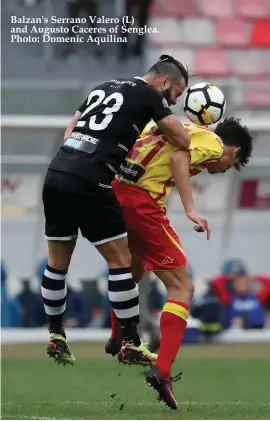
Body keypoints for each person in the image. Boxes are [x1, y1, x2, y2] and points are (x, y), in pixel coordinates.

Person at [41, 54, 191, 366]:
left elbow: (70, 131)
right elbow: (181, 138)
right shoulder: (149, 94)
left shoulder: (104, 86)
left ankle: (56, 336)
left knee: (56, 263)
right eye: (175, 94)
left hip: (57, 174)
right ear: (163, 81)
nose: (174, 102)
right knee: (122, 261)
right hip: (92, 181)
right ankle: (132, 342)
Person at [105, 117, 253, 409]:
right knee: (182, 287)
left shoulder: (173, 125)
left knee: (131, 269)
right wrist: (191, 209)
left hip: (116, 192)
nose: (223, 170)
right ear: (233, 151)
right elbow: (178, 158)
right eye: (231, 165)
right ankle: (162, 372)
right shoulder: (213, 142)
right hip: (142, 202)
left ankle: (118, 338)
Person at [212, 258, 270, 329]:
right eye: (237, 281)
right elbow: (216, 282)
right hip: (236, 333)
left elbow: (268, 283)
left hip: (257, 332)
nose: (242, 283)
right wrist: (230, 277)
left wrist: (253, 277)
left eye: (243, 281)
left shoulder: (257, 298)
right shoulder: (228, 298)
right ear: (232, 283)